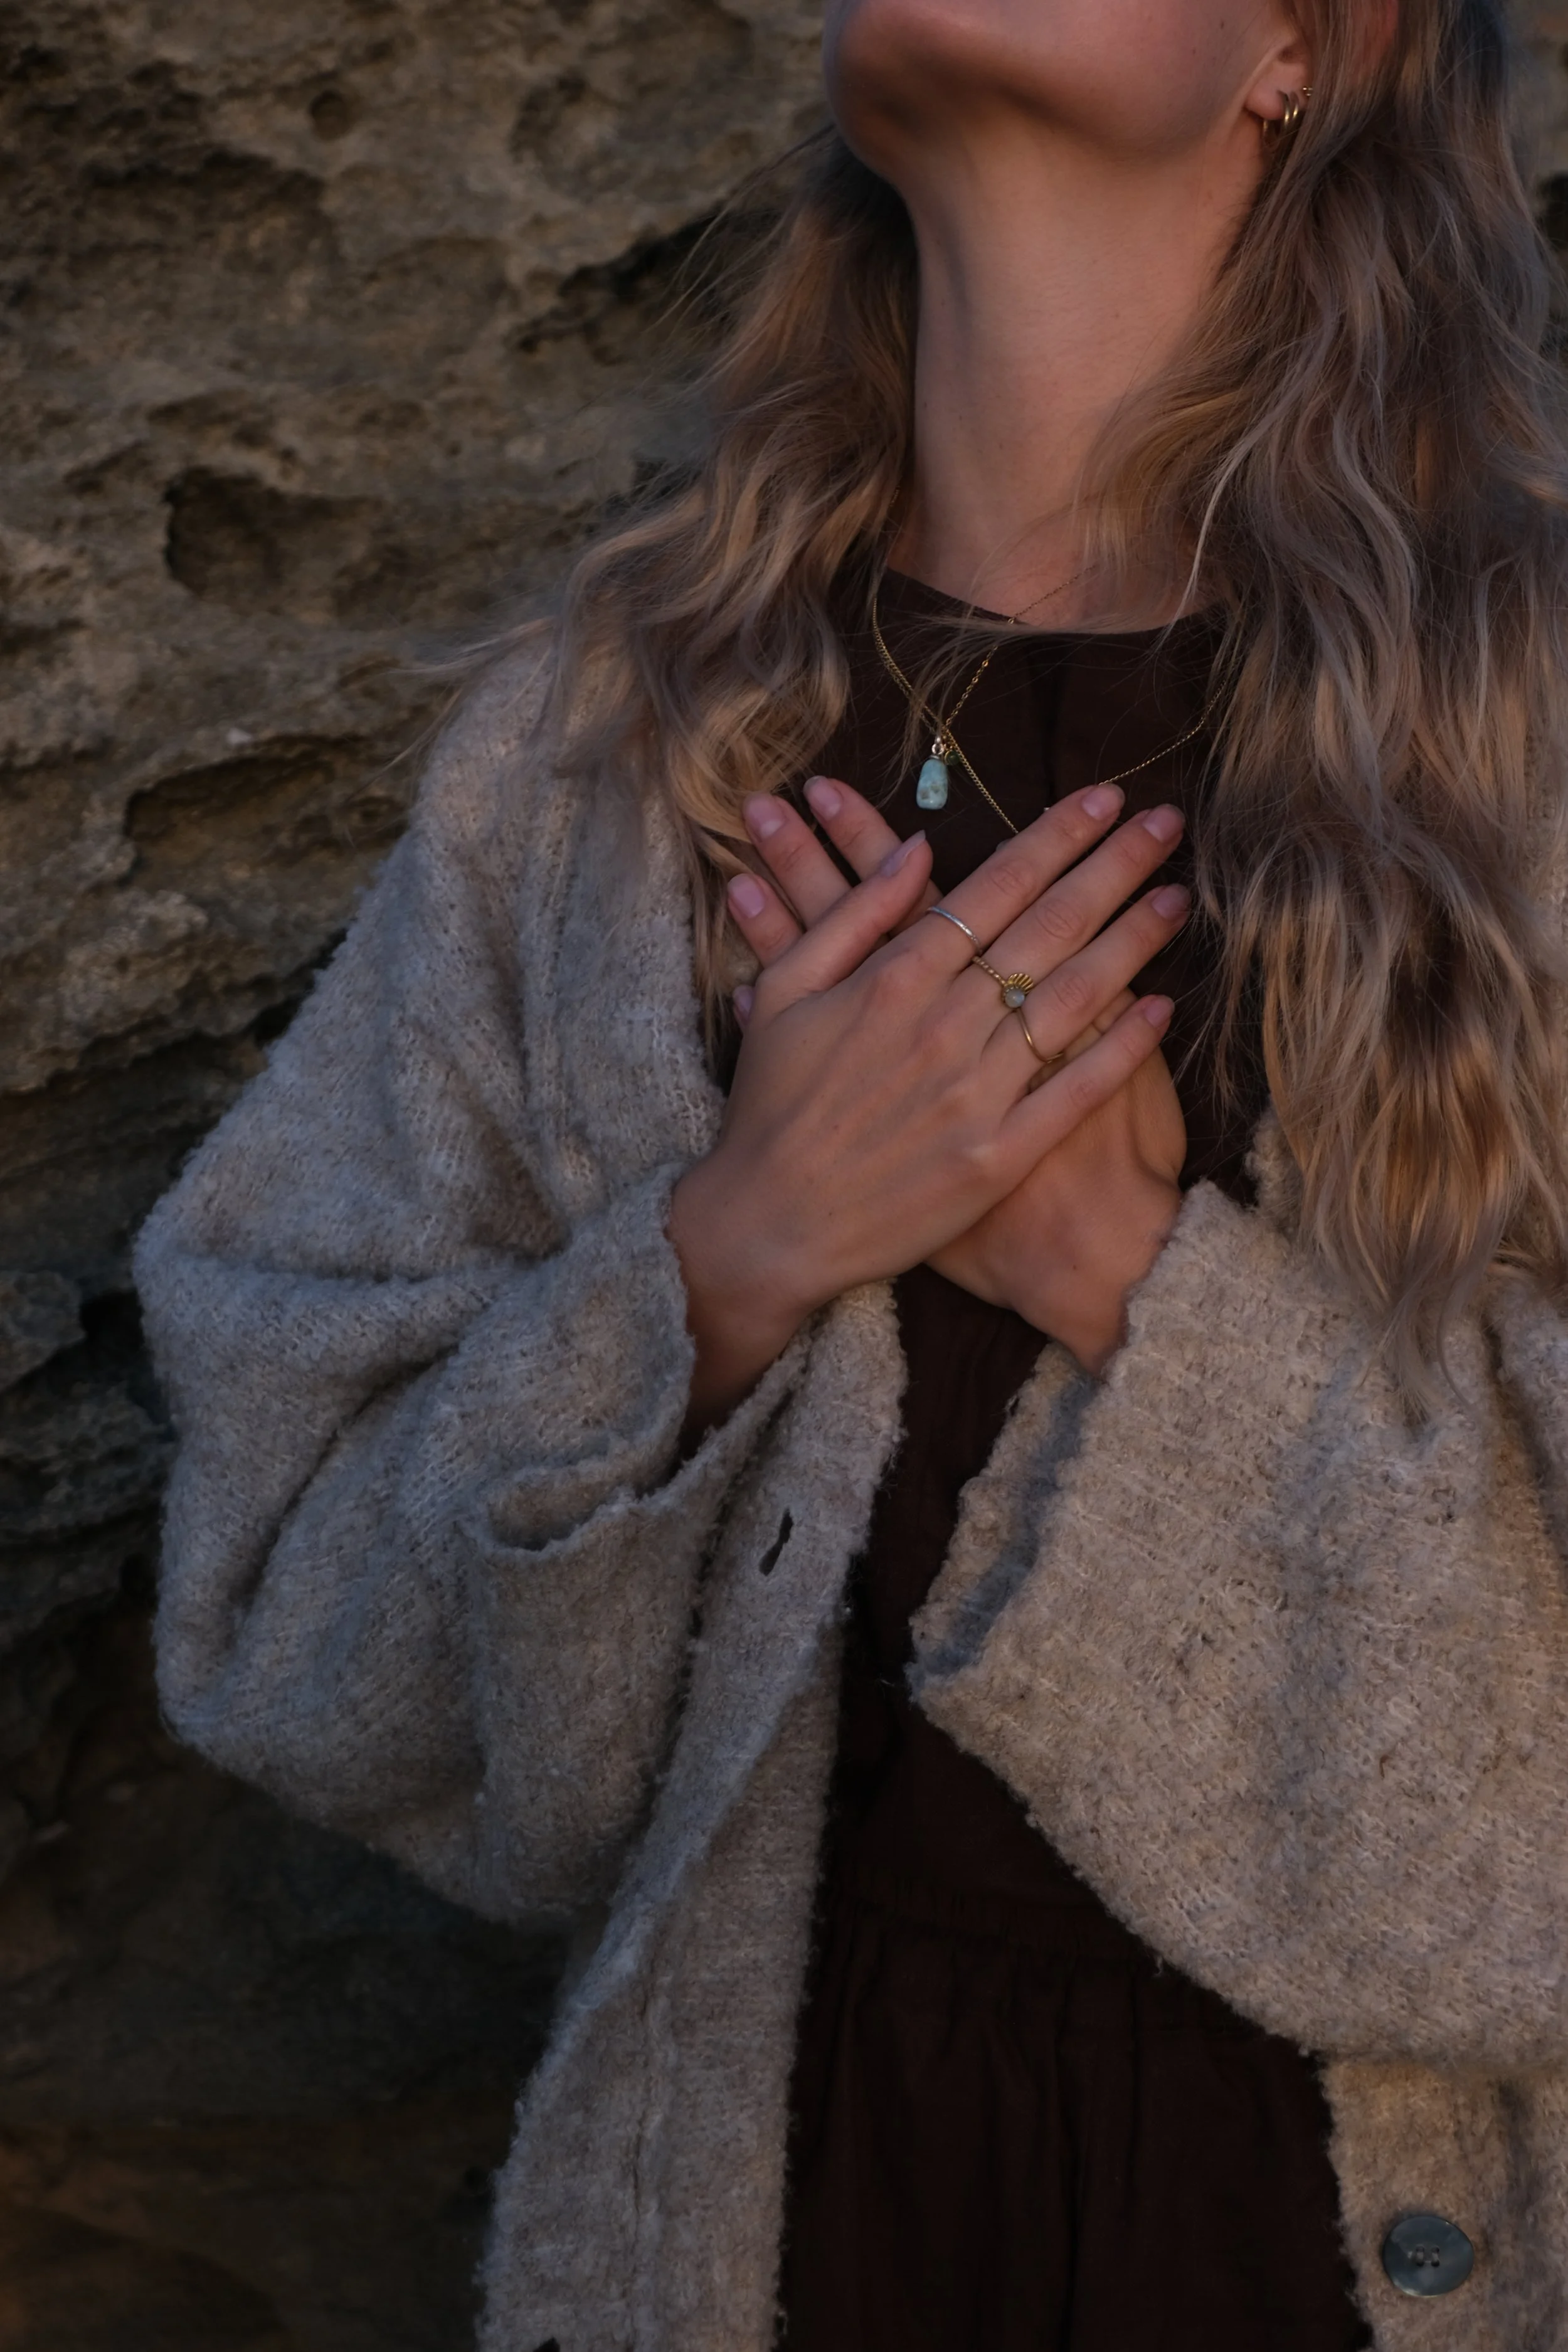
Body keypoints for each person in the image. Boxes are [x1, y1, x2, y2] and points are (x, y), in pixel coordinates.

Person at [134, 0, 1568, 2344]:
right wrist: (727, 1257)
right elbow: (290, 1625)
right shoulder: (592, 764)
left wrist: (1112, 1265)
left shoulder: (1523, 761)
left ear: (1308, 45)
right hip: (785, 2225)